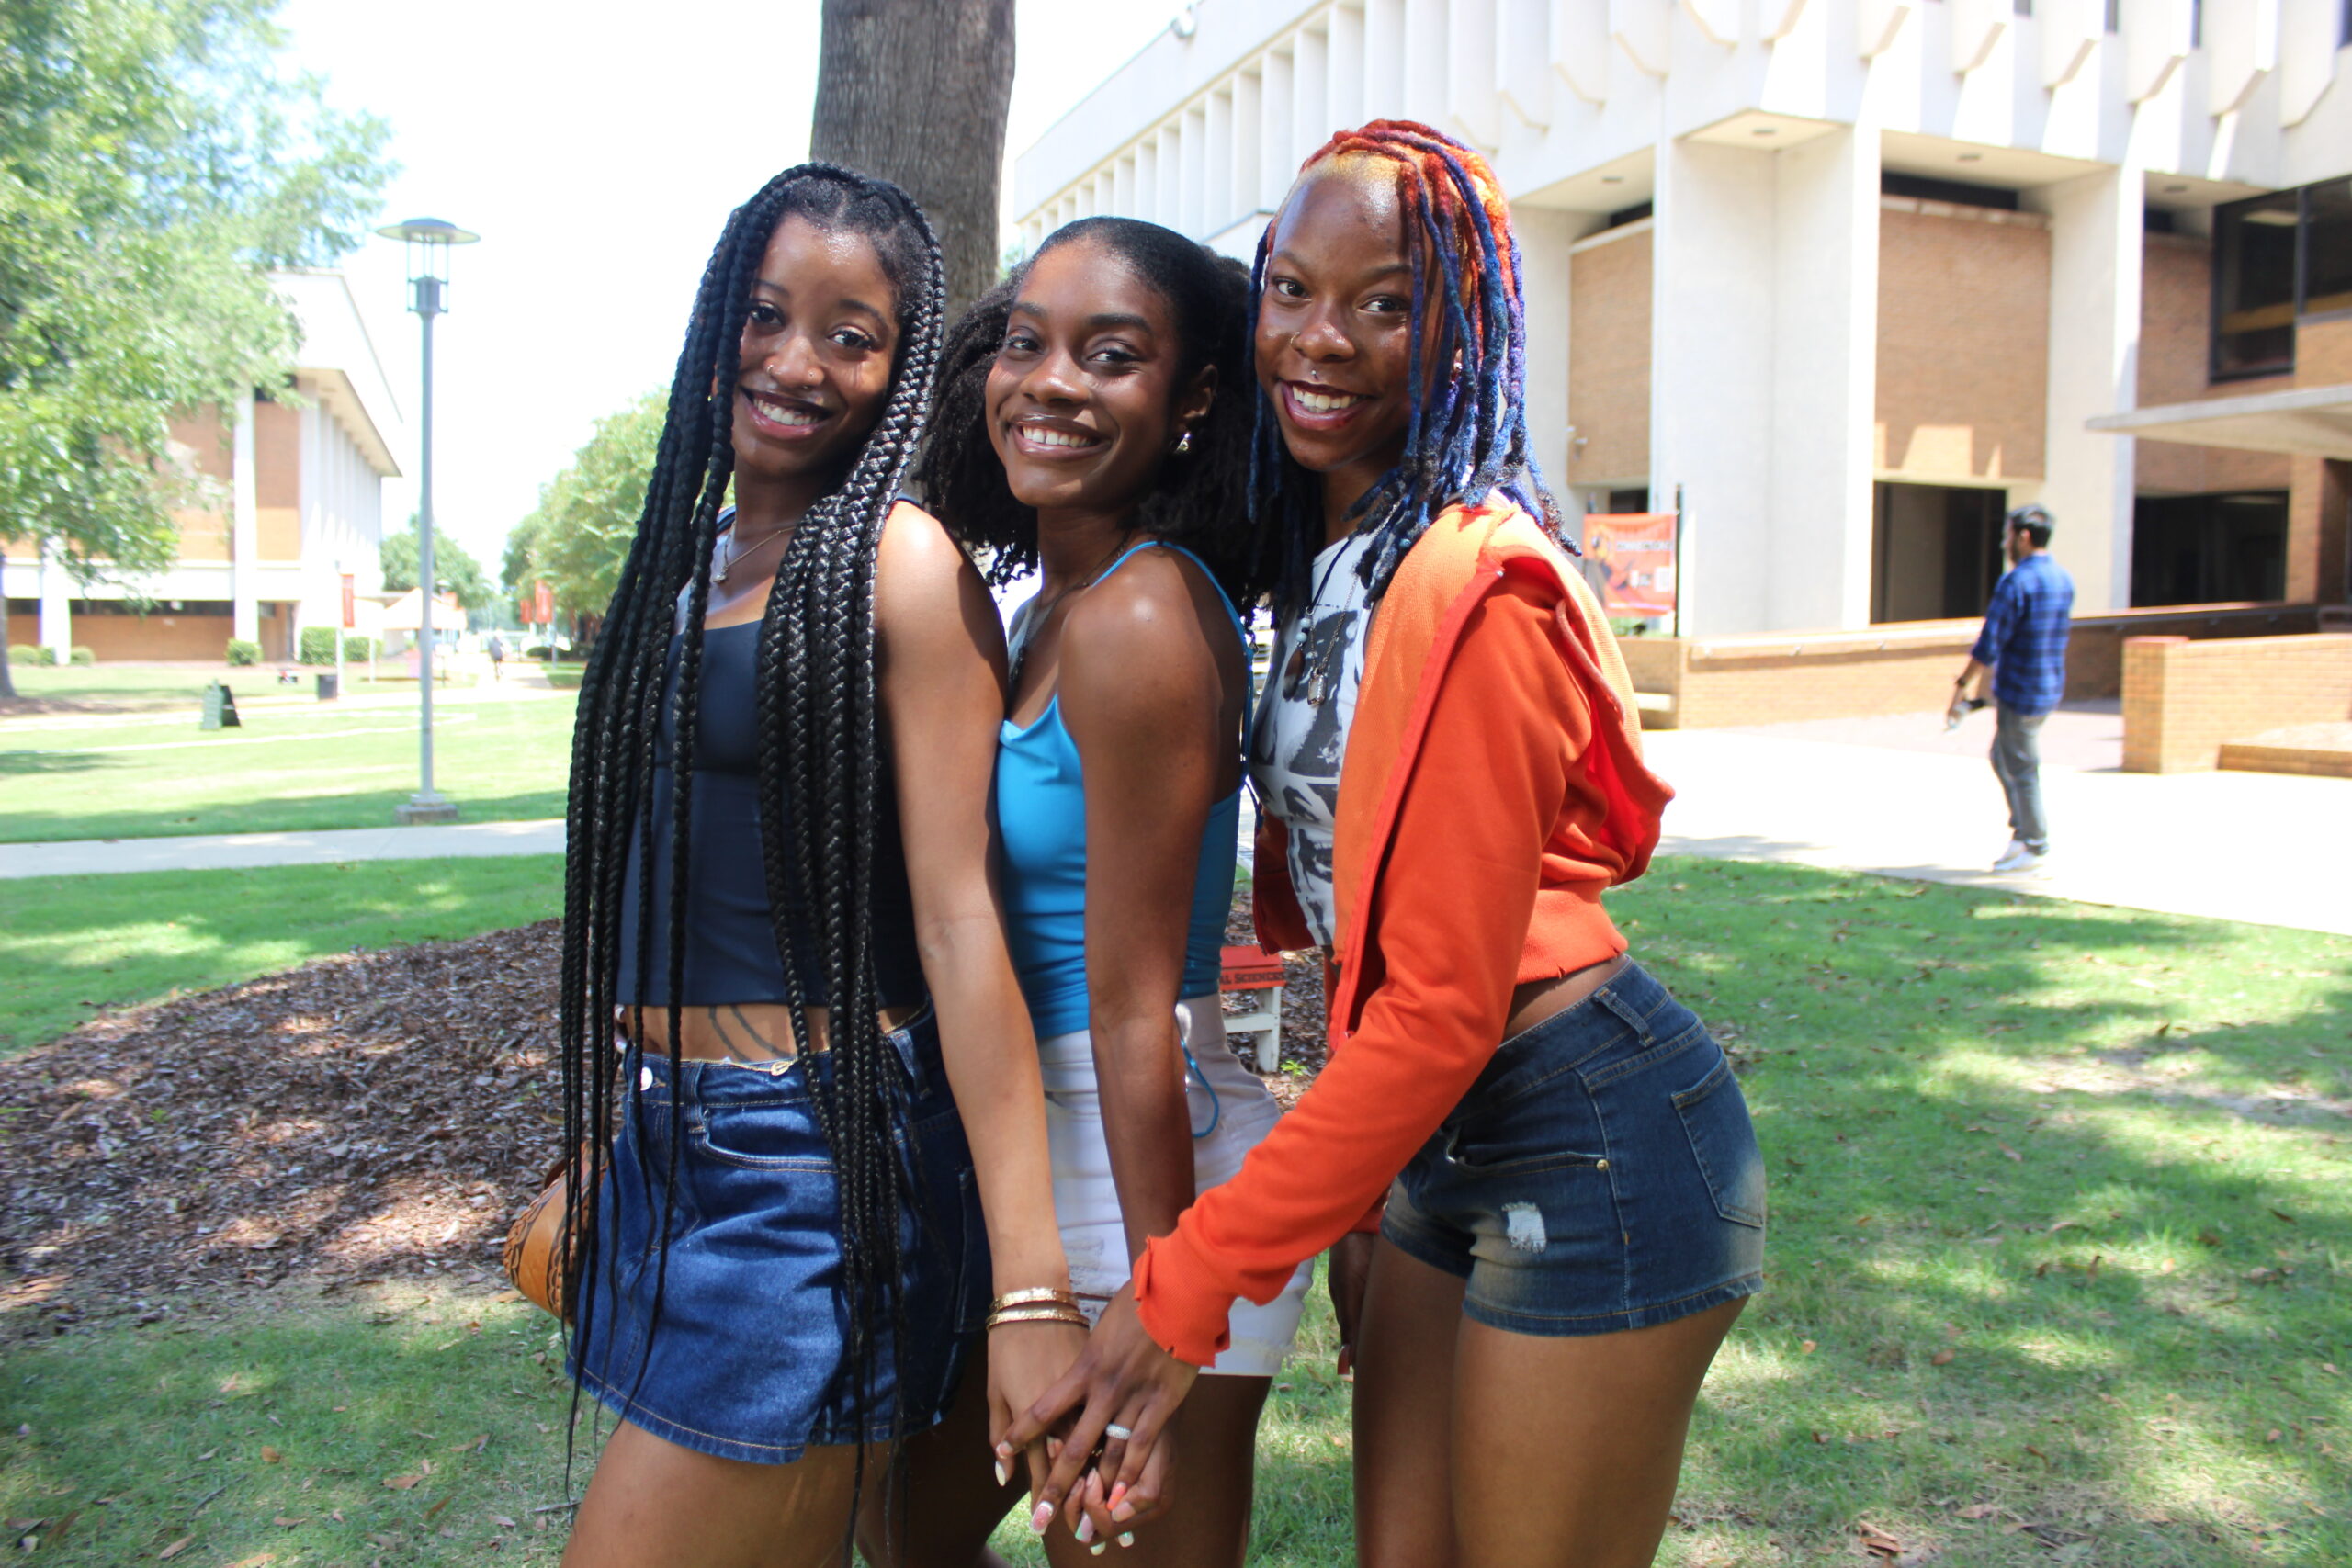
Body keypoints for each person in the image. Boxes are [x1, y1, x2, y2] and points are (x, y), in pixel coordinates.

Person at [1006, 121, 1767, 1568]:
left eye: (1386, 302)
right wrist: (1364, 1192)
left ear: (1464, 321)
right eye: (1291, 288)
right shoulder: (1337, 553)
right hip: (1439, 1134)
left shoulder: (1482, 582)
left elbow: (1440, 1005)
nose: (1322, 337)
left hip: (1590, 1123)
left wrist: (1186, 1287)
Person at [552, 164, 1080, 1568]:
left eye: (852, 335)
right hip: (680, 1144)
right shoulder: (699, 554)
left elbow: (963, 927)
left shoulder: (900, 568)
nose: (796, 361)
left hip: (810, 1164)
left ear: (901, 375)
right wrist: (618, 1133)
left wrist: (1031, 1289)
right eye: (770, 312)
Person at [873, 218, 1302, 1566]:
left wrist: (1166, 1309)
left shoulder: (1138, 617)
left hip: (1138, 1173)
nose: (1050, 381)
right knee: (898, 1526)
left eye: (1110, 356)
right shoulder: (1052, 601)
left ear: (1189, 403)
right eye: (1027, 341)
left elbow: (1133, 1011)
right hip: (1050, 1148)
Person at [1947, 503, 2074, 874]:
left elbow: (1990, 641)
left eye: (2006, 535)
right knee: (2003, 757)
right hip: (2047, 685)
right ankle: (2023, 833)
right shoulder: (2063, 579)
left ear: (2023, 536)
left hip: (2022, 689)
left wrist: (1962, 686)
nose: (2004, 543)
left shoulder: (2017, 581)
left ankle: (2033, 842)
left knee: (2020, 764)